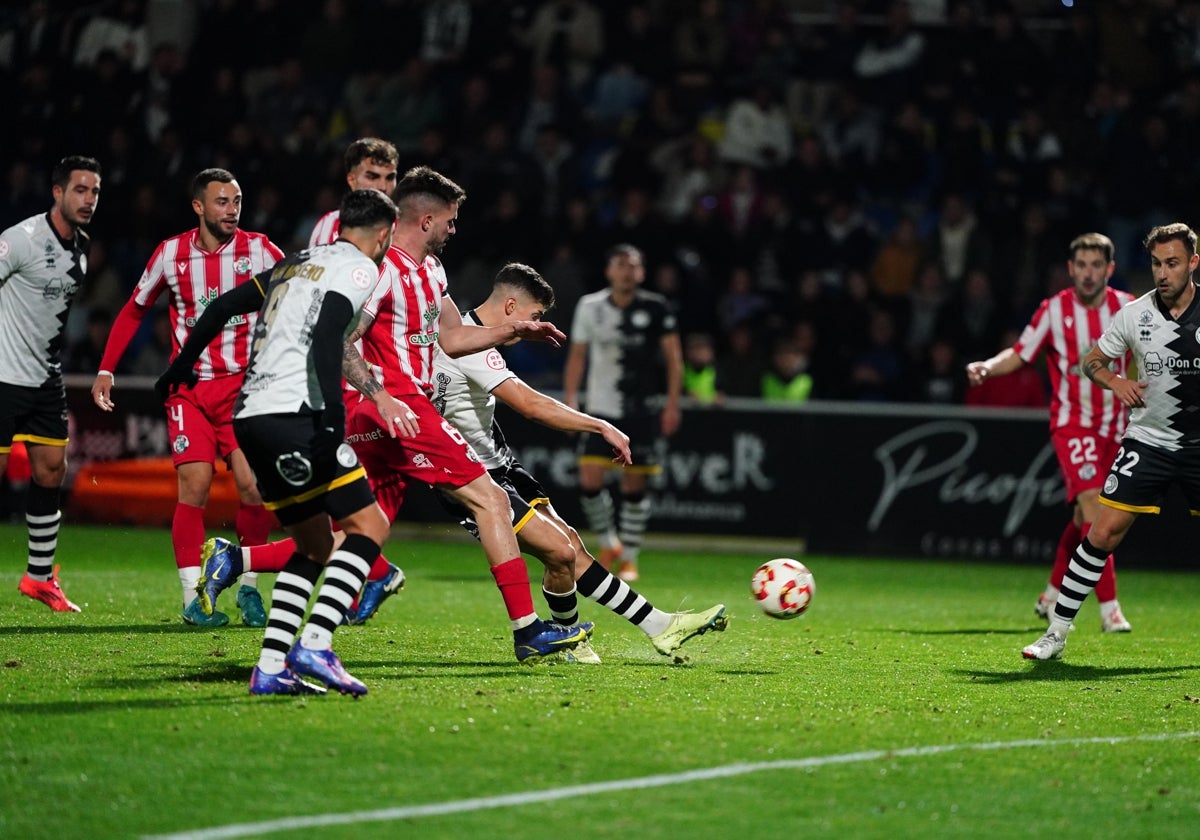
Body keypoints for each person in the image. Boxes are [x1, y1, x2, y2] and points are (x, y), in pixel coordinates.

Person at [342, 165, 593, 663]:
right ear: (428, 219)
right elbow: (343, 341)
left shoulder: (432, 272)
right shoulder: (380, 270)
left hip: (393, 412)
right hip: (394, 407)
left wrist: (514, 331)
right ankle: (527, 631)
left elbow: (453, 340)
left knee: (358, 532)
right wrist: (382, 396)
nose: (454, 231)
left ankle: (236, 560)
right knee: (493, 501)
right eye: (451, 221)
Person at [157, 188, 398, 696]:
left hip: (251, 416)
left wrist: (180, 365)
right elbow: (328, 337)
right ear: (383, 235)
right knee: (368, 525)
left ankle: (270, 668)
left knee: (312, 544)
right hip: (295, 415)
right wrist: (333, 425)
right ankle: (314, 643)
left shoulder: (298, 262)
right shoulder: (361, 269)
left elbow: (224, 305)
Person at [431, 262, 728, 662]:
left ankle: (643, 630)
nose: (536, 325)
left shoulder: (469, 337)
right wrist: (599, 425)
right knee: (560, 551)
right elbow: (531, 405)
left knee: (569, 547)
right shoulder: (472, 347)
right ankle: (575, 638)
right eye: (535, 316)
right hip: (471, 476)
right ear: (511, 305)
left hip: (500, 462)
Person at [90, 168, 284, 629]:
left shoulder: (260, 249)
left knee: (252, 487)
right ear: (198, 206)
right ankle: (194, 597)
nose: (232, 210)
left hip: (243, 388)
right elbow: (135, 308)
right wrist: (105, 368)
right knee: (194, 486)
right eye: (222, 202)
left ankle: (251, 591)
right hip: (190, 390)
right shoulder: (171, 254)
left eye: (236, 201)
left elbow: (300, 289)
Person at [1023, 222, 1200, 660]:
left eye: (1172, 263)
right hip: (1149, 439)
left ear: (1193, 263)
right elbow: (1091, 360)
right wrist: (1114, 380)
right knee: (1101, 531)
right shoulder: (1134, 314)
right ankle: (1056, 633)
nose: (1163, 273)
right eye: (1157, 263)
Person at [967, 233, 1134, 634]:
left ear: (1109, 269)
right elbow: (1021, 353)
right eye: (1081, 265)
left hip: (1118, 427)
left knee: (1082, 519)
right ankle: (1109, 608)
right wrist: (989, 365)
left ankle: (1052, 593)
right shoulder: (1054, 310)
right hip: (1073, 423)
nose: (1088, 273)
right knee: (1096, 510)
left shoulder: (1129, 308)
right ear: (1070, 269)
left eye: (1097, 265)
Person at [2, 155, 102, 612]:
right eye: (80, 190)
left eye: (95, 192)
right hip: (2, 376)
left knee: (50, 471)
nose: (88, 199)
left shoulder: (81, 247)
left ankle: (39, 578)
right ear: (57, 192)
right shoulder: (19, 240)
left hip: (45, 378)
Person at [563, 244, 683, 582]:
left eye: (633, 265)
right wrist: (571, 400)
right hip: (600, 408)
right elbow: (577, 356)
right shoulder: (590, 306)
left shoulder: (656, 308)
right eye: (620, 264)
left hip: (642, 408)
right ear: (609, 271)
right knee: (588, 480)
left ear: (642, 273)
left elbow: (674, 359)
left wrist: (672, 404)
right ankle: (608, 542)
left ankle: (630, 556)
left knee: (634, 485)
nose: (627, 271)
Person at [308, 137, 399, 247]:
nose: (383, 187)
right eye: (372, 177)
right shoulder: (329, 224)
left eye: (390, 178)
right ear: (352, 180)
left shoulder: (411, 227)